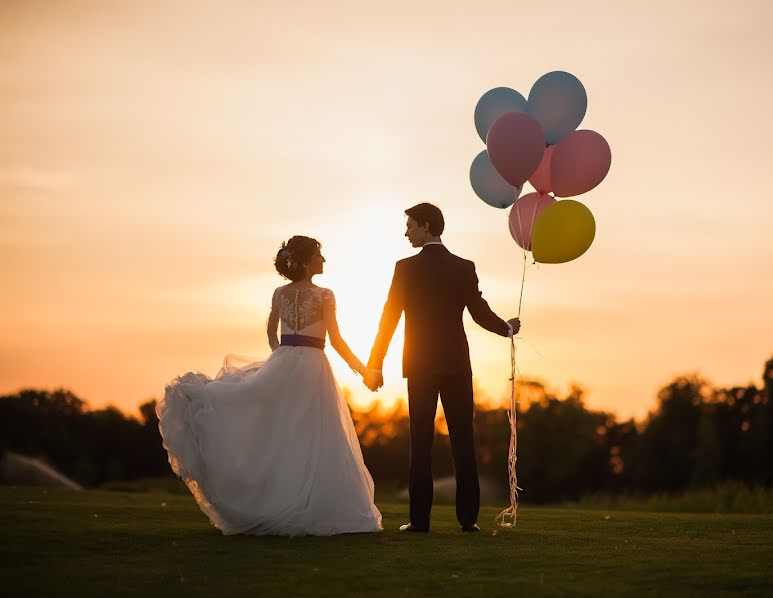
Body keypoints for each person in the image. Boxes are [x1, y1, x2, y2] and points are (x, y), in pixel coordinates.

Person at [156, 236, 382, 537]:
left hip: (284, 362)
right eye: (319, 255)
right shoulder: (325, 295)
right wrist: (363, 370)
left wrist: (281, 357)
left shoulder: (280, 293)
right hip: (313, 366)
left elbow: (271, 331)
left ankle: (280, 499)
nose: (323, 260)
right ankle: (310, 504)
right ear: (304, 262)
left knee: (284, 432)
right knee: (315, 434)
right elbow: (336, 341)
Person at [366, 203, 521, 532]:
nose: (406, 232)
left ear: (425, 225)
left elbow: (388, 319)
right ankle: (469, 521)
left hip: (419, 366)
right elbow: (479, 311)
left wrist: (375, 364)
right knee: (463, 442)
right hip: (455, 365)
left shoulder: (404, 268)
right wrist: (505, 328)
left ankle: (419, 521)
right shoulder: (463, 267)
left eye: (410, 225)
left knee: (419, 444)